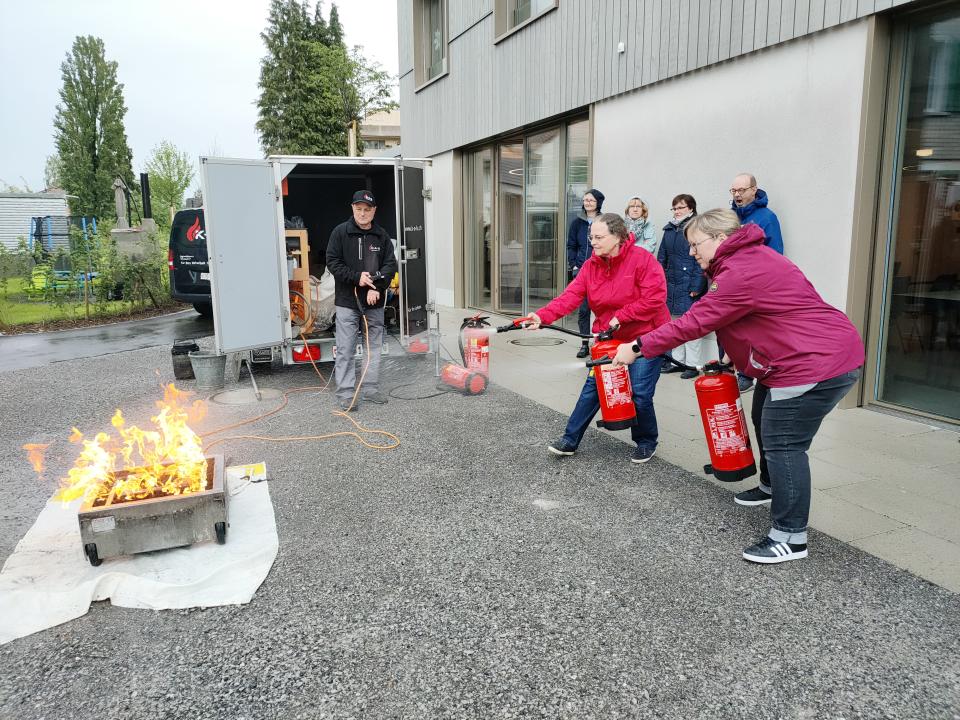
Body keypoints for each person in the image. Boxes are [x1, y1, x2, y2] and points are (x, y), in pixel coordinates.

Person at [612, 209, 864, 564]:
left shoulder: (740, 271)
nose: (692, 253)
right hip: (797, 357)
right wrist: (733, 357)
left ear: (719, 238)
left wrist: (637, 347)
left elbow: (696, 321)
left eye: (695, 245)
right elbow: (762, 314)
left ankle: (790, 537)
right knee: (763, 418)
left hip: (812, 363)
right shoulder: (749, 258)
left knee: (784, 444)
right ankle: (770, 487)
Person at [524, 213, 670, 464]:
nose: (593, 242)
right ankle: (570, 439)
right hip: (609, 338)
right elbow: (569, 297)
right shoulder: (591, 266)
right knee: (593, 389)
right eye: (592, 237)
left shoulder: (642, 260)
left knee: (640, 393)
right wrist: (541, 316)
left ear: (618, 237)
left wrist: (621, 316)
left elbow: (655, 298)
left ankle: (646, 441)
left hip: (646, 336)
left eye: (599, 237)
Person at [325, 190, 398, 412]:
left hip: (374, 304)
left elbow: (389, 266)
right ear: (353, 209)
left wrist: (376, 285)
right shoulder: (340, 233)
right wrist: (357, 278)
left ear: (374, 211)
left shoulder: (381, 236)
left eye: (367, 209)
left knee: (373, 348)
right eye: (359, 209)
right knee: (346, 349)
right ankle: (346, 393)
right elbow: (332, 262)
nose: (363, 213)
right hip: (347, 302)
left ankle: (370, 388)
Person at [729, 173, 784, 392]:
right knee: (731, 328)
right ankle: (732, 367)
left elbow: (775, 254)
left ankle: (748, 374)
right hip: (730, 283)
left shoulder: (767, 217)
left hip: (755, 286)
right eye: (733, 191)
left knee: (753, 331)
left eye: (741, 190)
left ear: (754, 189)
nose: (737, 195)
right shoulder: (729, 218)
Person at [658, 194, 714, 379]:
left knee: (691, 327)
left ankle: (692, 365)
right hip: (671, 284)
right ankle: (678, 361)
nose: (677, 211)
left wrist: (697, 284)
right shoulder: (669, 230)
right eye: (674, 208)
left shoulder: (695, 228)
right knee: (674, 325)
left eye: (681, 207)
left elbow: (701, 259)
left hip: (689, 284)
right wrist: (660, 281)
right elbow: (662, 258)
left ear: (691, 208)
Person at [567, 189, 605, 358]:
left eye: (591, 200)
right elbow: (571, 245)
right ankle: (584, 343)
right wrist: (574, 265)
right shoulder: (577, 223)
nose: (587, 203)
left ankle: (602, 342)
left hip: (602, 272)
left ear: (598, 203)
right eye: (585, 200)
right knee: (583, 311)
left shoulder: (605, 221)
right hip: (582, 271)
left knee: (603, 310)